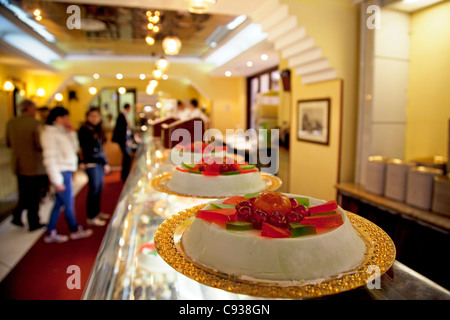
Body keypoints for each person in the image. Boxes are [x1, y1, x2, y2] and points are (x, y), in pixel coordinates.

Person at [40, 106, 93, 243]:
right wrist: (57, 180)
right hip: (60, 172)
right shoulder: (49, 133)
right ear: (58, 118)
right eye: (66, 117)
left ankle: (51, 231)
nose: (68, 120)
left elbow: (74, 149)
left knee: (59, 204)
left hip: (67, 170)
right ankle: (74, 229)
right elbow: (49, 158)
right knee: (68, 203)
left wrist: (71, 133)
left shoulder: (62, 131)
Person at [6, 99, 48, 231]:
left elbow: (8, 143)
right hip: (34, 165)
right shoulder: (35, 124)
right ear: (29, 108)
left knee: (24, 193)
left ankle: (17, 216)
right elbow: (39, 145)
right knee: (35, 196)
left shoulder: (11, 123)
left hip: (18, 164)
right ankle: (33, 221)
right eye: (34, 108)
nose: (35, 111)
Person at [78, 107, 111, 227]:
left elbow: (100, 148)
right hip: (91, 163)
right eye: (91, 116)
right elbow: (90, 149)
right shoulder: (84, 130)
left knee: (99, 188)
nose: (94, 118)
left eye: (96, 116)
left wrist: (104, 161)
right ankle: (91, 216)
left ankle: (96, 212)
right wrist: (104, 162)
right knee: (94, 189)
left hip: (98, 162)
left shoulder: (97, 129)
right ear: (87, 117)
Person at [112, 103, 134, 182]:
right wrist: (126, 140)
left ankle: (126, 174)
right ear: (128, 108)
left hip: (126, 140)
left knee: (127, 157)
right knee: (127, 157)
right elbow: (122, 130)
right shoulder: (121, 116)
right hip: (123, 140)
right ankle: (124, 176)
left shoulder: (124, 115)